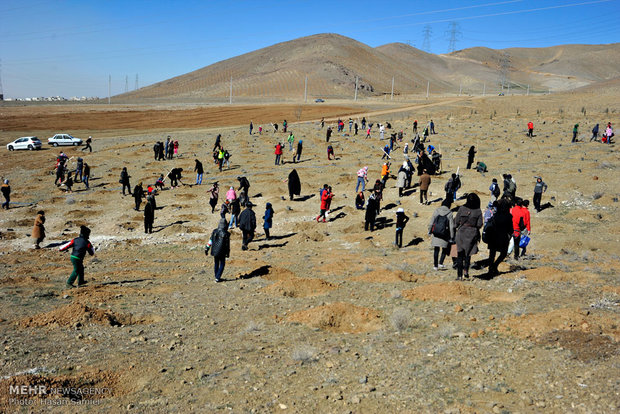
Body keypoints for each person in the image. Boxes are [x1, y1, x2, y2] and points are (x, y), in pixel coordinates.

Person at [454, 193, 483, 280]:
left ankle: (459, 275)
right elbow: (479, 224)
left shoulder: (462, 208)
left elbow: (456, 221)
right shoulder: (478, 211)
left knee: (460, 254)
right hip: (472, 233)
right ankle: (466, 271)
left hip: (461, 233)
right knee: (468, 254)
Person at [484, 198, 513, 276]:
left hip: (493, 237)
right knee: (503, 254)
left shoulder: (495, 215)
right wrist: (509, 235)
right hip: (503, 237)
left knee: (492, 255)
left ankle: (491, 269)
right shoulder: (509, 216)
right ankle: (495, 265)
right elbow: (510, 229)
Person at [429, 199, 455, 270]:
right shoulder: (449, 213)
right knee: (444, 249)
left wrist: (430, 231)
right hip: (445, 233)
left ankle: (435, 266)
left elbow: (431, 222)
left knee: (436, 249)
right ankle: (441, 263)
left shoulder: (437, 211)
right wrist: (452, 236)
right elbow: (451, 226)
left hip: (436, 232)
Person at [204, 218, 231, 283]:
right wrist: (227, 253)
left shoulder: (214, 231)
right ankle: (218, 277)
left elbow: (211, 240)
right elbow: (227, 245)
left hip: (215, 251)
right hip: (222, 251)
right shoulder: (226, 234)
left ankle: (216, 276)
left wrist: (207, 248)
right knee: (222, 264)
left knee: (216, 263)